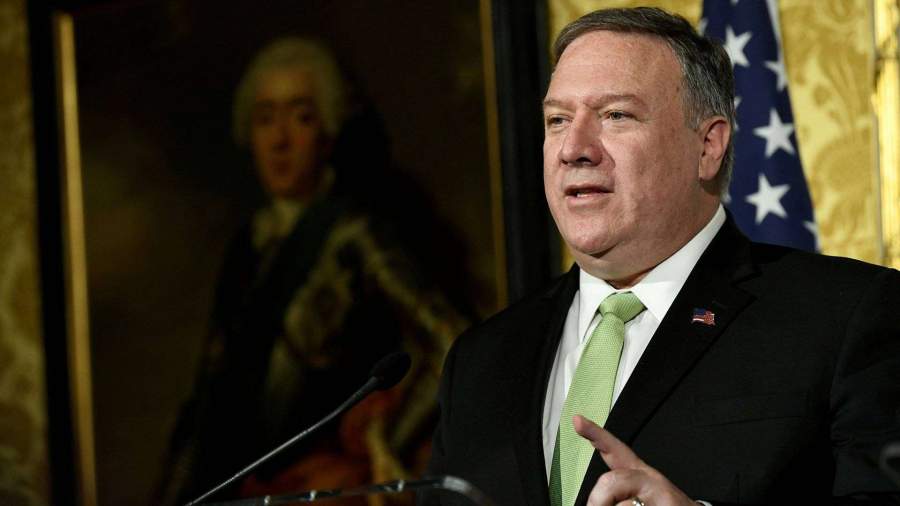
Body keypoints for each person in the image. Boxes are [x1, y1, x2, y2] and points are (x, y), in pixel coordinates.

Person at [422, 7, 900, 506]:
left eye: (615, 115)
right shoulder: (481, 362)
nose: (573, 149)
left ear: (708, 146)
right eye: (558, 120)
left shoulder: (846, 317)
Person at [154, 38, 468, 505]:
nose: (279, 141)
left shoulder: (355, 236)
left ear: (328, 130)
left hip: (322, 491)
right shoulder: (249, 245)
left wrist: (384, 444)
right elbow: (210, 398)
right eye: (265, 120)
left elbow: (452, 339)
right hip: (246, 486)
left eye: (300, 118)